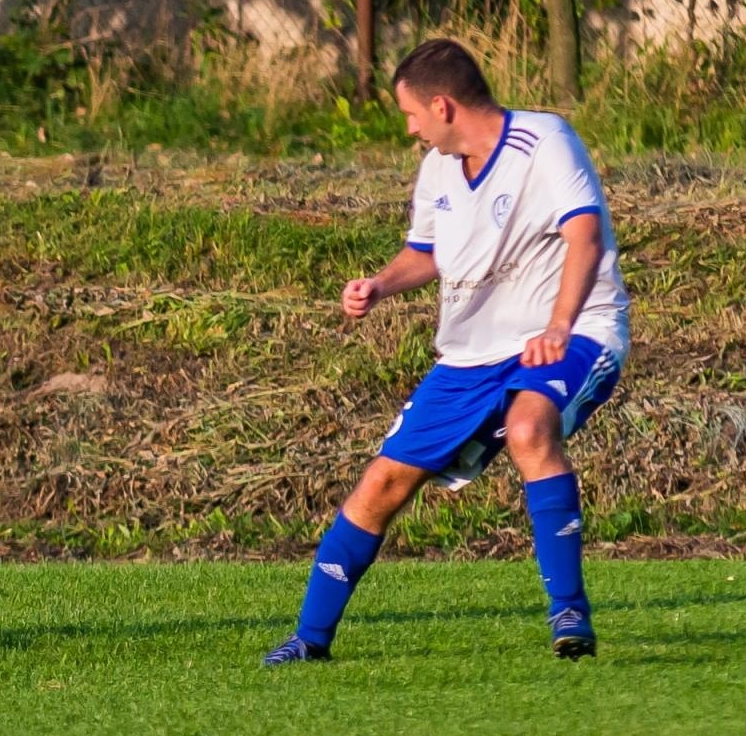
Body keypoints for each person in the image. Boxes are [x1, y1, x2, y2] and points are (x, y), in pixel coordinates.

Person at [263, 39, 629, 665]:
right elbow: (425, 255)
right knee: (383, 481)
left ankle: (569, 616)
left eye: (411, 115)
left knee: (528, 428)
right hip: (470, 356)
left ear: (443, 104)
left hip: (574, 331)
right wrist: (379, 283)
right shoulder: (438, 168)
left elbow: (585, 235)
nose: (410, 129)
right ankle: (309, 639)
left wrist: (559, 326)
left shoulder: (545, 140)